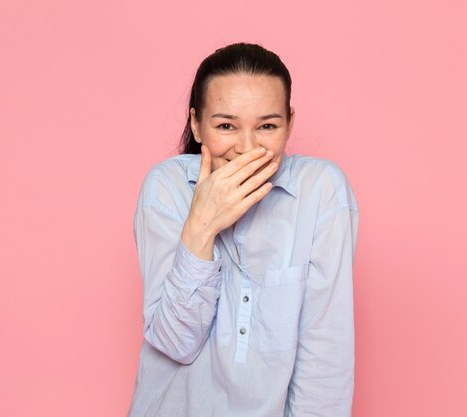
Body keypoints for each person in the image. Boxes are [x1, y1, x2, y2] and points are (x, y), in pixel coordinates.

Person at [126, 42, 359, 417]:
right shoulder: (165, 188)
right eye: (226, 126)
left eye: (267, 126)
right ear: (196, 125)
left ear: (290, 124)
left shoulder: (321, 191)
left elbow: (325, 359)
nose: (248, 149)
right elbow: (174, 342)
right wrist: (201, 225)